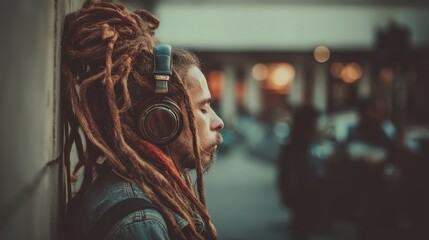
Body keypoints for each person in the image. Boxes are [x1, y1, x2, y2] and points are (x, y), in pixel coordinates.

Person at [61, 1, 224, 240]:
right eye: (203, 108)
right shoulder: (139, 223)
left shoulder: (143, 192)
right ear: (162, 121)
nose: (218, 121)